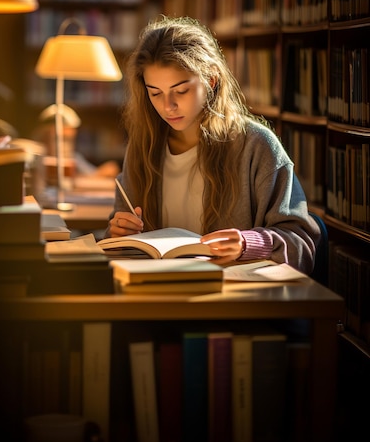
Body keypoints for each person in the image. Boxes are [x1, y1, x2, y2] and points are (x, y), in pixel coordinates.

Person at [105, 16, 320, 274]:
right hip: (157, 293)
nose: (167, 106)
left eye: (181, 90)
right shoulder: (143, 147)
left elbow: (303, 243)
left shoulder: (257, 146)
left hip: (232, 301)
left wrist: (247, 244)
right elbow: (116, 238)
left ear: (212, 80)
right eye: (155, 93)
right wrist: (117, 232)